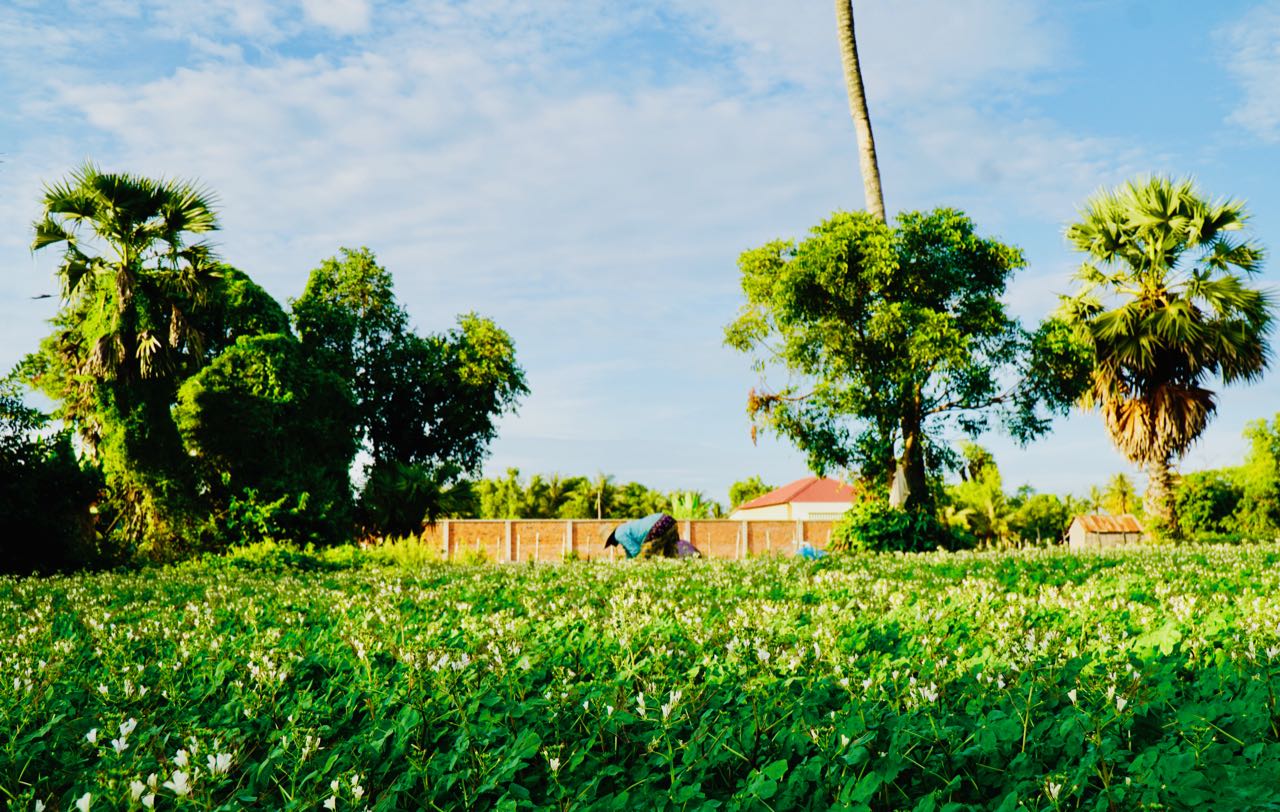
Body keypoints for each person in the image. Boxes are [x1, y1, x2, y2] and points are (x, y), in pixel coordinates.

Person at [603, 512, 679, 559]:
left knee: (649, 556)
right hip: (668, 520)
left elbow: (635, 550)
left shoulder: (618, 535)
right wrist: (627, 562)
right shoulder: (622, 528)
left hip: (658, 525)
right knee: (670, 553)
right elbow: (628, 552)